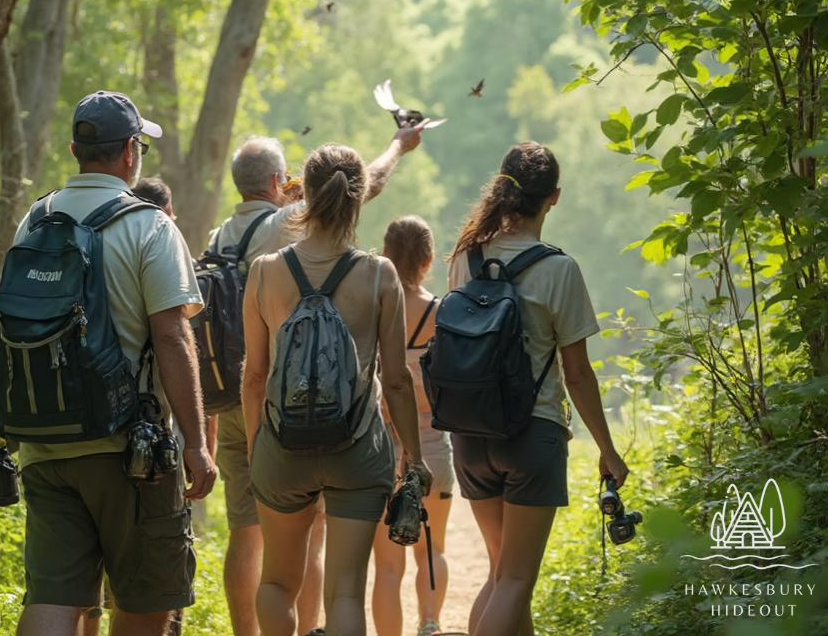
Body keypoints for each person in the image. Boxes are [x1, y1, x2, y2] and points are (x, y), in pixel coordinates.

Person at [13, 90, 217, 636]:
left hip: (43, 443)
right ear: (130, 151)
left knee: (54, 596)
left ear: (77, 149)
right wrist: (196, 444)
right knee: (145, 601)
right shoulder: (150, 226)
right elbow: (173, 336)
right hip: (130, 450)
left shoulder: (35, 219)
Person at [210, 128, 423, 636]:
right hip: (358, 446)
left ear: (300, 190)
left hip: (282, 447)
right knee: (346, 591)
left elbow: (255, 375)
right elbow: (395, 381)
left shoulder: (265, 272)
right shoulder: (380, 275)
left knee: (277, 584)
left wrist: (263, 443)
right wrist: (412, 456)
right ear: (356, 201)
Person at [446, 142, 630, 636]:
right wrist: (608, 449)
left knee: (501, 574)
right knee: (515, 580)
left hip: (468, 435)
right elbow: (577, 374)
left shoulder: (467, 255)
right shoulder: (558, 269)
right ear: (555, 197)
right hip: (531, 436)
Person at [372, 216, 453, 636]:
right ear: (427, 261)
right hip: (431, 443)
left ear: (384, 254)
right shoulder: (440, 313)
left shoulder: (373, 305)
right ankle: (430, 623)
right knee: (431, 547)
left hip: (380, 446)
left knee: (387, 564)